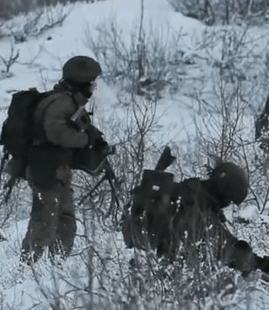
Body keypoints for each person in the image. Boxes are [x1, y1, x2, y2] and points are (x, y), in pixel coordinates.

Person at [21, 55, 105, 264]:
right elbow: (57, 133)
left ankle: (57, 266)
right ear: (81, 82)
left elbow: (73, 128)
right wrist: (86, 140)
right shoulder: (62, 102)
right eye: (91, 83)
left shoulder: (69, 101)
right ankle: (28, 266)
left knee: (65, 221)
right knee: (45, 221)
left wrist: (95, 138)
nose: (93, 88)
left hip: (57, 170)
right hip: (46, 170)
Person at [124, 159, 269, 275]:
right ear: (223, 194)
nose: (227, 204)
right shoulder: (196, 207)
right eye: (229, 200)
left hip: (148, 262)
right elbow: (224, 250)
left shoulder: (191, 191)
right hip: (156, 273)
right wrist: (259, 264)